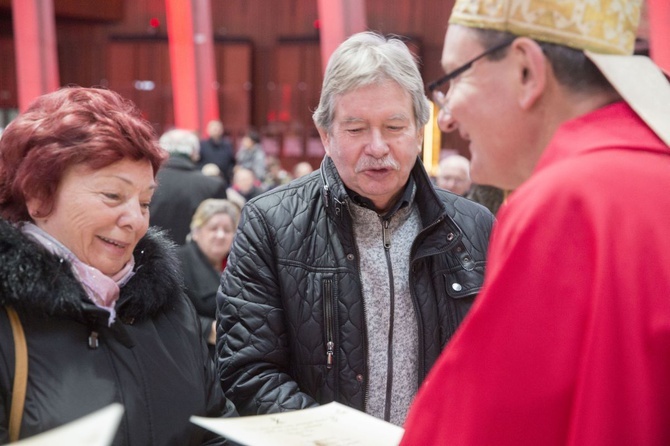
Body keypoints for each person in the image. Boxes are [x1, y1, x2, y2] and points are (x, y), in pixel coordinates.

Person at [401, 0, 670, 444]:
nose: (445, 116)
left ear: (527, 70)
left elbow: (487, 429)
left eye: (456, 76)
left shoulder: (567, 201)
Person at [216, 31, 494, 426]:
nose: (377, 147)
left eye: (395, 127)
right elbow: (246, 371)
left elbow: (498, 365)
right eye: (356, 129)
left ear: (419, 131)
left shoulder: (474, 227)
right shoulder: (270, 223)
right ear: (326, 135)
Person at [0, 86, 236, 444]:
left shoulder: (171, 308)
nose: (135, 221)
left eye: (144, 202)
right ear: (38, 194)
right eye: (112, 195)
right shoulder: (10, 317)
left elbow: (216, 425)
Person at [177, 199, 240, 358]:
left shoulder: (237, 265)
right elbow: (169, 317)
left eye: (227, 230)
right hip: (196, 357)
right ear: (196, 232)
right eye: (213, 228)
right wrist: (209, 329)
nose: (220, 235)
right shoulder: (177, 263)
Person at [149, 128, 227, 245]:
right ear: (195, 154)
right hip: (196, 260)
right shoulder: (213, 186)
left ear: (161, 152)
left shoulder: (148, 182)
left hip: (149, 258)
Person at [198, 119, 236, 186]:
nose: (216, 131)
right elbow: (198, 162)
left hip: (224, 181)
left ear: (221, 130)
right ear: (208, 130)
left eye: (218, 128)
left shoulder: (227, 144)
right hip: (206, 180)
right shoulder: (202, 145)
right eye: (214, 129)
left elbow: (232, 162)